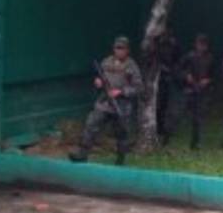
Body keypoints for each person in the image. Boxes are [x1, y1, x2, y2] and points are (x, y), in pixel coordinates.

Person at [69, 36, 142, 165]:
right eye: (117, 48)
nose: (119, 51)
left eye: (122, 48)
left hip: (121, 105)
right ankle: (82, 153)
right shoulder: (106, 62)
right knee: (91, 124)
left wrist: (121, 91)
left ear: (127, 50)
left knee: (122, 132)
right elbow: (100, 77)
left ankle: (121, 159)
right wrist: (98, 82)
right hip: (105, 102)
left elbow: (138, 88)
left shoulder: (132, 66)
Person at [177, 33, 214, 150]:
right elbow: (178, 70)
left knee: (199, 118)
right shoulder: (189, 56)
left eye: (204, 45)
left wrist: (208, 80)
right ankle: (167, 137)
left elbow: (214, 74)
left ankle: (195, 143)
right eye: (199, 44)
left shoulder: (210, 58)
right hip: (189, 89)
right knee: (178, 113)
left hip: (202, 91)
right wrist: (186, 76)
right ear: (196, 44)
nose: (201, 47)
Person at [152, 29, 181, 144]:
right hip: (160, 79)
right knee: (159, 106)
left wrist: (173, 72)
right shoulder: (157, 46)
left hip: (172, 79)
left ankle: (165, 131)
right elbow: (155, 60)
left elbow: (178, 60)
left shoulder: (174, 45)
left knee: (170, 108)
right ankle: (159, 130)